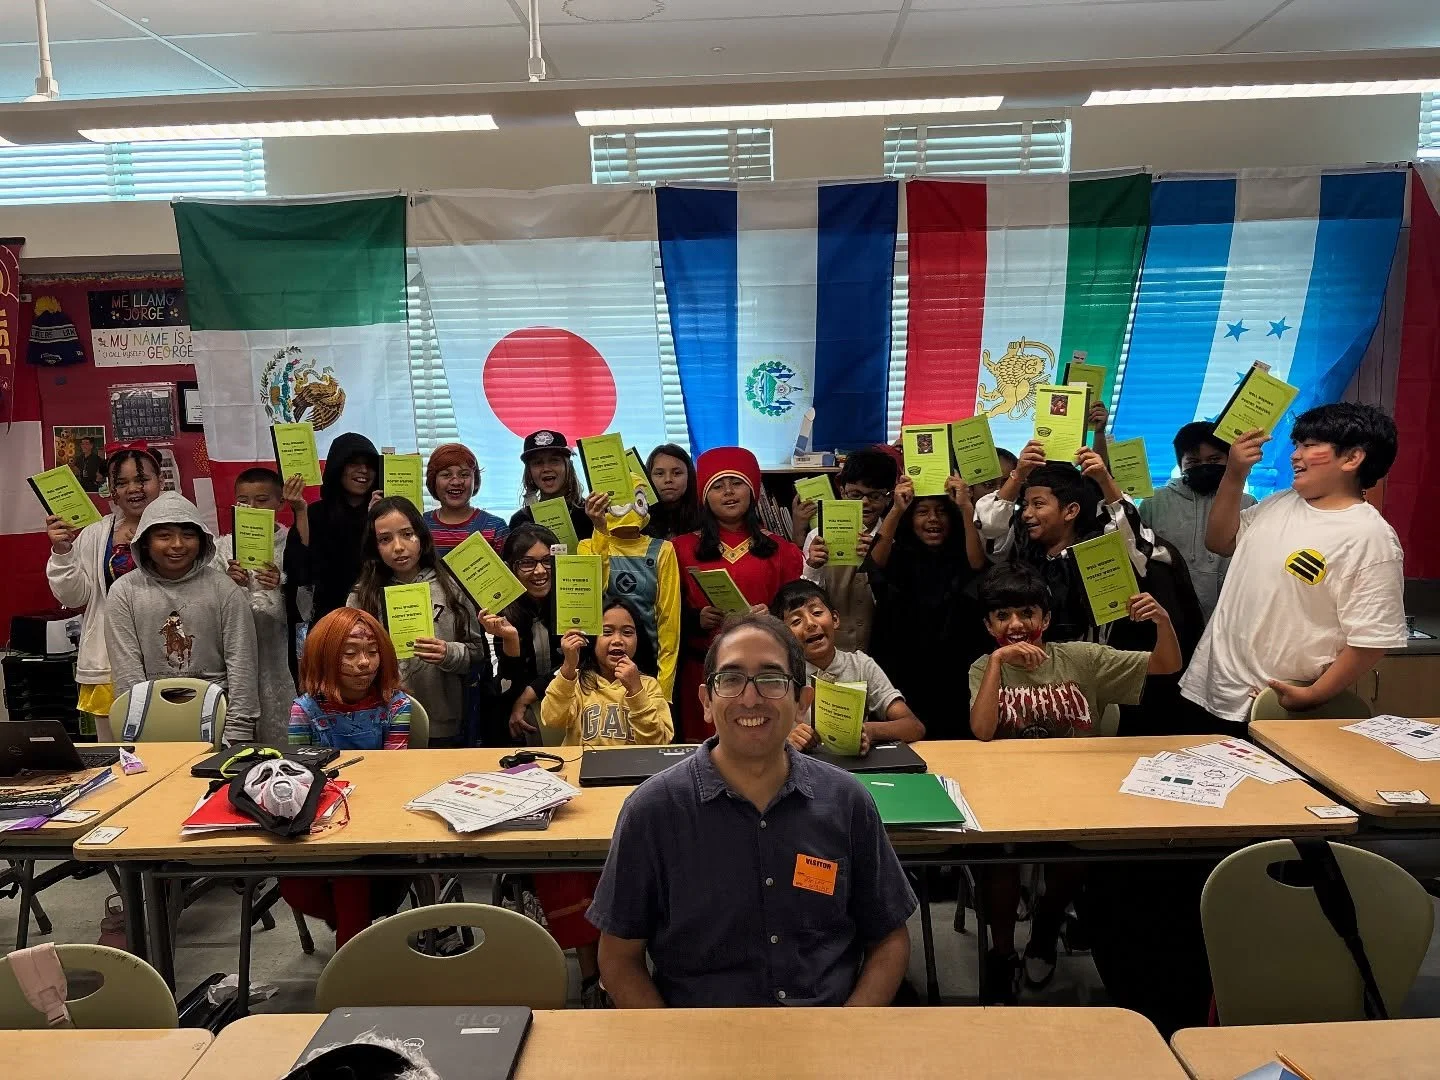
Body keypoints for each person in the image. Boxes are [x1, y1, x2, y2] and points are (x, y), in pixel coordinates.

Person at [587, 613, 917, 1008]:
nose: (750, 697)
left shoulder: (846, 801)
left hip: (825, 1036)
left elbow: (889, 937)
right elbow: (619, 959)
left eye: (772, 679)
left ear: (801, 703)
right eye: (730, 679)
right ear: (706, 702)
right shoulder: (653, 810)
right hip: (700, 1040)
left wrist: (849, 1029)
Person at [967, 563, 1181, 1002]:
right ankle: (1003, 952)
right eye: (1002, 616)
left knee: (1074, 855)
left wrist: (1162, 621)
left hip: (1076, 791)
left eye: (1026, 613)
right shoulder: (983, 667)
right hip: (1007, 792)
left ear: (1044, 619)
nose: (1016, 625)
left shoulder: (1081, 658)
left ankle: (1046, 927)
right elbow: (983, 731)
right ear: (989, 625)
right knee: (998, 861)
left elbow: (1167, 664)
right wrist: (996, 663)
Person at [1181, 403, 1406, 726]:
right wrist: (1234, 474)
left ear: (1352, 458)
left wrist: (1313, 696)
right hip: (1211, 689)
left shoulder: (1370, 536)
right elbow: (1219, 542)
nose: (1295, 455)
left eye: (1310, 446)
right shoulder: (1279, 503)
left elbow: (1371, 641)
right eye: (1297, 444)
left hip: (1278, 704)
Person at [536, 595, 673, 1006]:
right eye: (607, 631)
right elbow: (551, 718)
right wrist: (568, 666)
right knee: (565, 867)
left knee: (630, 877)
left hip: (633, 802)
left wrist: (634, 691)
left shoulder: (648, 685)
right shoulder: (578, 683)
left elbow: (661, 740)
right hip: (582, 799)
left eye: (627, 632)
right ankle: (592, 975)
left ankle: (625, 968)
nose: (617, 640)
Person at [282, 607, 413, 946]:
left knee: (351, 877)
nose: (364, 663)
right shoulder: (305, 710)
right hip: (320, 825)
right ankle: (357, 944)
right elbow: (302, 775)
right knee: (298, 884)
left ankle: (352, 956)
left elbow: (393, 773)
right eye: (349, 653)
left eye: (372, 652)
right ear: (324, 658)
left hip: (378, 828)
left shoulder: (396, 707)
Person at [104, 491, 261, 745]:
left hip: (217, 716)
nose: (177, 545)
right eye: (164, 536)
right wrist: (138, 727)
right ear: (145, 541)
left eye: (188, 535)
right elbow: (126, 671)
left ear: (202, 540)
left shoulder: (224, 589)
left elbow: (242, 663)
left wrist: (238, 731)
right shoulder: (124, 592)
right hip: (151, 718)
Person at [672, 447, 805, 742]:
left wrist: (771, 618)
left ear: (753, 490)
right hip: (701, 670)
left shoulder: (783, 550)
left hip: (765, 674)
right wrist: (696, 619)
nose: (728, 492)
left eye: (737, 483)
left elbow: (798, 611)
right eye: (717, 486)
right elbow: (664, 614)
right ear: (704, 495)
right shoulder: (678, 550)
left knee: (759, 744)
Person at [976, 443, 1163, 643]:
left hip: (1090, 663)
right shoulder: (1021, 552)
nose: (1027, 514)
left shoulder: (1102, 552)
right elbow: (990, 525)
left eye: (1038, 504)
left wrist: (1104, 479)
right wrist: (1018, 475)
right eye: (1025, 505)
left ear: (1071, 511)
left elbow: (1131, 536)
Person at [347, 497, 489, 747]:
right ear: (375, 546)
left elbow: (477, 654)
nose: (398, 547)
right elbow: (347, 657)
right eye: (385, 539)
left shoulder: (451, 586)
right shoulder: (362, 595)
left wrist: (448, 653)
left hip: (444, 720)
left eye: (407, 534)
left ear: (421, 537)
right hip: (380, 720)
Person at [45, 444, 164, 737]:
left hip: (171, 657)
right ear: (111, 489)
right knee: (117, 760)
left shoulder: (184, 528)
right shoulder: (97, 534)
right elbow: (74, 597)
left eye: (141, 479)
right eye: (121, 483)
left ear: (160, 481)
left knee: (178, 757)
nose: (133, 489)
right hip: (108, 661)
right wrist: (63, 553)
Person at [866, 476, 986, 739]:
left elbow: (977, 566)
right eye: (923, 512)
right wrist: (897, 509)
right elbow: (874, 564)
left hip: (955, 664)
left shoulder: (960, 551)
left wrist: (965, 508)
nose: (933, 519)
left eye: (941, 512)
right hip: (903, 661)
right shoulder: (900, 554)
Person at [770, 580, 925, 752]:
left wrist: (870, 731)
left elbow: (913, 726)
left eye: (817, 612)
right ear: (784, 637)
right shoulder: (781, 675)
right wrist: (785, 741)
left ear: (835, 619)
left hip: (855, 769)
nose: (810, 623)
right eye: (796, 621)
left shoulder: (861, 666)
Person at [1139, 421, 1257, 622]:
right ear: (1181, 464)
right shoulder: (1154, 502)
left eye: (1214, 459)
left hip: (1228, 614)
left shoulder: (1247, 503)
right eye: (1193, 462)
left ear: (1229, 459)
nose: (1204, 467)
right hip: (1168, 613)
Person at [212, 467, 295, 745]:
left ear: (280, 502)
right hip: (234, 655)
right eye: (244, 501)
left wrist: (279, 586)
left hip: (280, 654)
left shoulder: (291, 546)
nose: (252, 507)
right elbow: (209, 607)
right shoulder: (222, 549)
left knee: (281, 723)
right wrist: (229, 584)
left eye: (262, 500)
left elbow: (306, 609)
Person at [579, 481, 680, 701]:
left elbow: (669, 622)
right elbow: (592, 594)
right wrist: (600, 529)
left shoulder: (663, 550)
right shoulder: (589, 546)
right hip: (600, 667)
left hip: (648, 665)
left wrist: (664, 687)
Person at [797, 447, 900, 652]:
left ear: (889, 497)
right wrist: (812, 567)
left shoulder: (894, 540)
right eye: (855, 494)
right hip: (833, 651)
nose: (864, 503)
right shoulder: (817, 536)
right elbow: (805, 602)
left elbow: (897, 605)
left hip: (882, 650)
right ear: (842, 490)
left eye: (875, 496)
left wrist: (875, 563)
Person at [284, 431, 381, 632]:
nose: (363, 470)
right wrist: (300, 510)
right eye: (354, 463)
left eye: (369, 465)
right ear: (339, 467)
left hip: (371, 616)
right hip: (323, 620)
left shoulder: (384, 514)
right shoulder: (316, 513)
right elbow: (298, 568)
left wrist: (376, 519)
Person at [494, 525, 564, 746]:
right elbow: (504, 682)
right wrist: (510, 640)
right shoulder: (496, 612)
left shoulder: (575, 604)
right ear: (510, 569)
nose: (540, 571)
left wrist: (529, 694)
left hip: (568, 708)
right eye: (527, 563)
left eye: (547, 561)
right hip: (511, 720)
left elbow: (582, 663)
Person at [422, 442, 509, 557]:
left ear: (476, 481)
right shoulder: (420, 525)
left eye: (464, 475)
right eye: (446, 475)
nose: (456, 482)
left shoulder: (495, 527)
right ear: (433, 482)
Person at [507, 429, 594, 544]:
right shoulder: (520, 521)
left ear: (568, 467)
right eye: (538, 463)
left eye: (554, 461)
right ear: (529, 472)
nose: (546, 469)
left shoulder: (590, 514)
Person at [644, 443, 698, 540]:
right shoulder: (638, 520)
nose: (668, 479)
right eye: (660, 473)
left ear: (689, 476)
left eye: (677, 473)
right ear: (648, 477)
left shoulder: (705, 519)